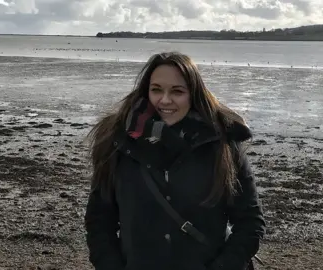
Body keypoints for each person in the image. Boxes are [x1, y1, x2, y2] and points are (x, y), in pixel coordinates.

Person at [84, 52, 265, 270]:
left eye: (177, 91)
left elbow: (250, 222)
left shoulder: (222, 145)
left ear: (194, 94)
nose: (165, 100)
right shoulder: (118, 143)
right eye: (156, 89)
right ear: (146, 90)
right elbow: (99, 221)